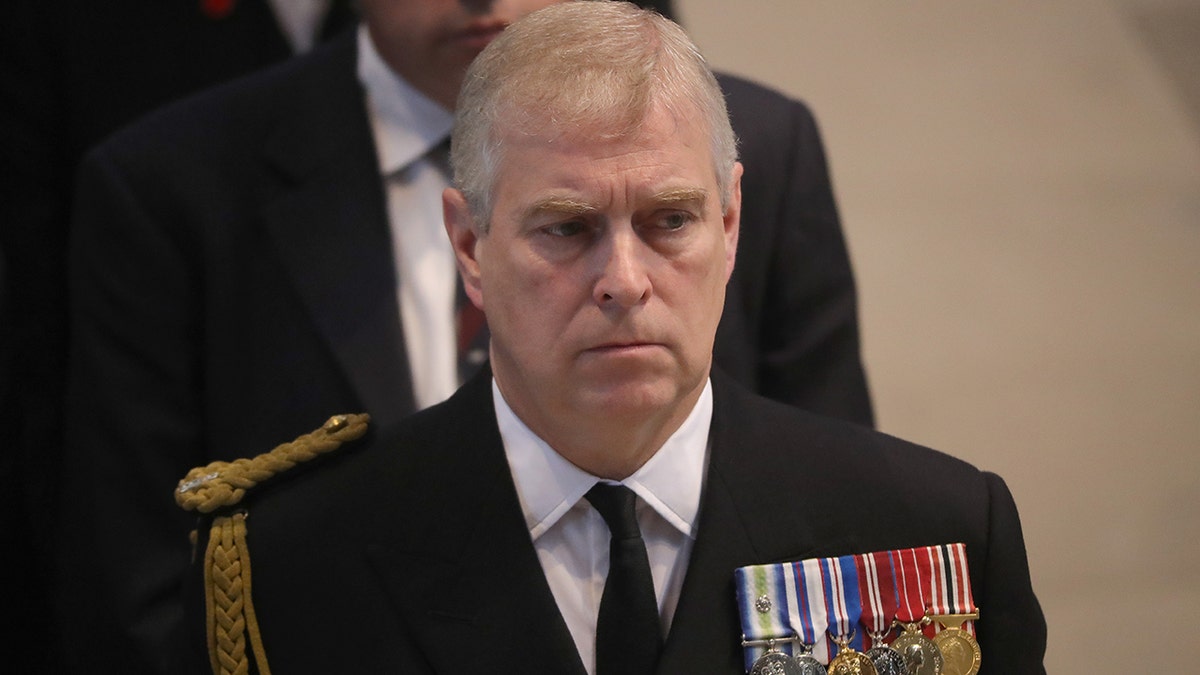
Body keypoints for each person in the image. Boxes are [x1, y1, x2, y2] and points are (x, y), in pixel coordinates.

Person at [172, 3, 1045, 673]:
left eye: (670, 219)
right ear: (470, 246)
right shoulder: (295, 561)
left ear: (733, 223)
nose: (624, 279)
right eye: (566, 227)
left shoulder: (929, 528)